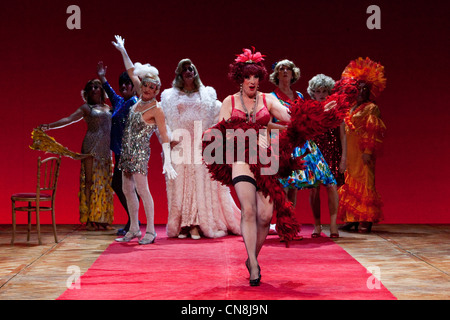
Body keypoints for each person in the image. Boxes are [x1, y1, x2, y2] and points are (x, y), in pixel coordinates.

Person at [203, 48, 344, 286]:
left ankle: (252, 258)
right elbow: (220, 129)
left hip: (266, 160)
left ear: (260, 78)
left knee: (265, 216)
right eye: (248, 76)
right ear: (240, 78)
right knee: (248, 211)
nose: (252, 81)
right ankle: (255, 265)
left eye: (256, 76)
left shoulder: (268, 100)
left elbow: (293, 117)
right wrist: (214, 135)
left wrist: (321, 111)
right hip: (240, 159)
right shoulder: (230, 101)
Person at [161, 59, 241, 239]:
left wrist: (211, 138)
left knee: (199, 184)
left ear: (195, 72)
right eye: (185, 69)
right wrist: (169, 137)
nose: (188, 71)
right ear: (180, 74)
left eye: (191, 68)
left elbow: (216, 117)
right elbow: (164, 120)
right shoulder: (169, 96)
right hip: (180, 145)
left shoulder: (207, 95)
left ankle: (197, 223)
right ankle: (183, 224)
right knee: (181, 184)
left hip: (200, 144)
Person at [111, 35, 177, 245]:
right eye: (145, 86)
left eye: (151, 88)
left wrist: (167, 160)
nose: (147, 89)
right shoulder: (139, 99)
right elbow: (132, 72)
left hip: (140, 152)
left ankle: (150, 230)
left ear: (157, 90)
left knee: (142, 190)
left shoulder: (156, 109)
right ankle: (133, 229)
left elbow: (164, 136)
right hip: (126, 150)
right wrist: (123, 50)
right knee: (126, 189)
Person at [268, 61, 338, 238]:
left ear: (293, 74)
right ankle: (282, 226)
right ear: (276, 75)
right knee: (282, 186)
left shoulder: (299, 95)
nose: (285, 72)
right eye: (281, 69)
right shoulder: (270, 97)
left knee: (294, 187)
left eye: (288, 69)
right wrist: (286, 129)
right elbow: (266, 124)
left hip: (301, 144)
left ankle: (289, 225)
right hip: (282, 143)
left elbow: (308, 117)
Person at [39, 79, 114, 231]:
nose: (94, 89)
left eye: (97, 86)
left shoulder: (109, 108)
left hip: (105, 149)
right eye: (91, 87)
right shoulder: (87, 108)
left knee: (104, 183)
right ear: (86, 93)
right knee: (90, 182)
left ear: (102, 90)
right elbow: (68, 119)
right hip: (91, 147)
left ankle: (101, 218)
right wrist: (48, 126)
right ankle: (89, 219)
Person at [337, 57, 387, 233]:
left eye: (365, 88)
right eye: (359, 88)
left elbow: (372, 131)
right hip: (350, 152)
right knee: (349, 182)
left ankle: (366, 219)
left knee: (365, 182)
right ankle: (352, 218)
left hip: (362, 152)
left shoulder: (371, 108)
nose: (361, 91)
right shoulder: (350, 107)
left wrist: (367, 151)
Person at [97, 61, 139, 236]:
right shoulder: (122, 101)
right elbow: (111, 92)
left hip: (127, 151)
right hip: (118, 150)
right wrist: (102, 77)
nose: (123, 86)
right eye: (121, 83)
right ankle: (133, 220)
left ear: (134, 85)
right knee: (123, 186)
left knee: (125, 186)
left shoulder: (135, 103)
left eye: (127, 83)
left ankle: (133, 221)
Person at [306, 74, 346, 238]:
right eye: (317, 91)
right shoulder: (309, 110)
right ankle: (317, 225)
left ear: (329, 92)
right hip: (314, 153)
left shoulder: (337, 110)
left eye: (324, 91)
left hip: (332, 152)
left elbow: (343, 135)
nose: (321, 94)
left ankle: (334, 225)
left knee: (332, 188)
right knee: (314, 190)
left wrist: (344, 158)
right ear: (312, 93)